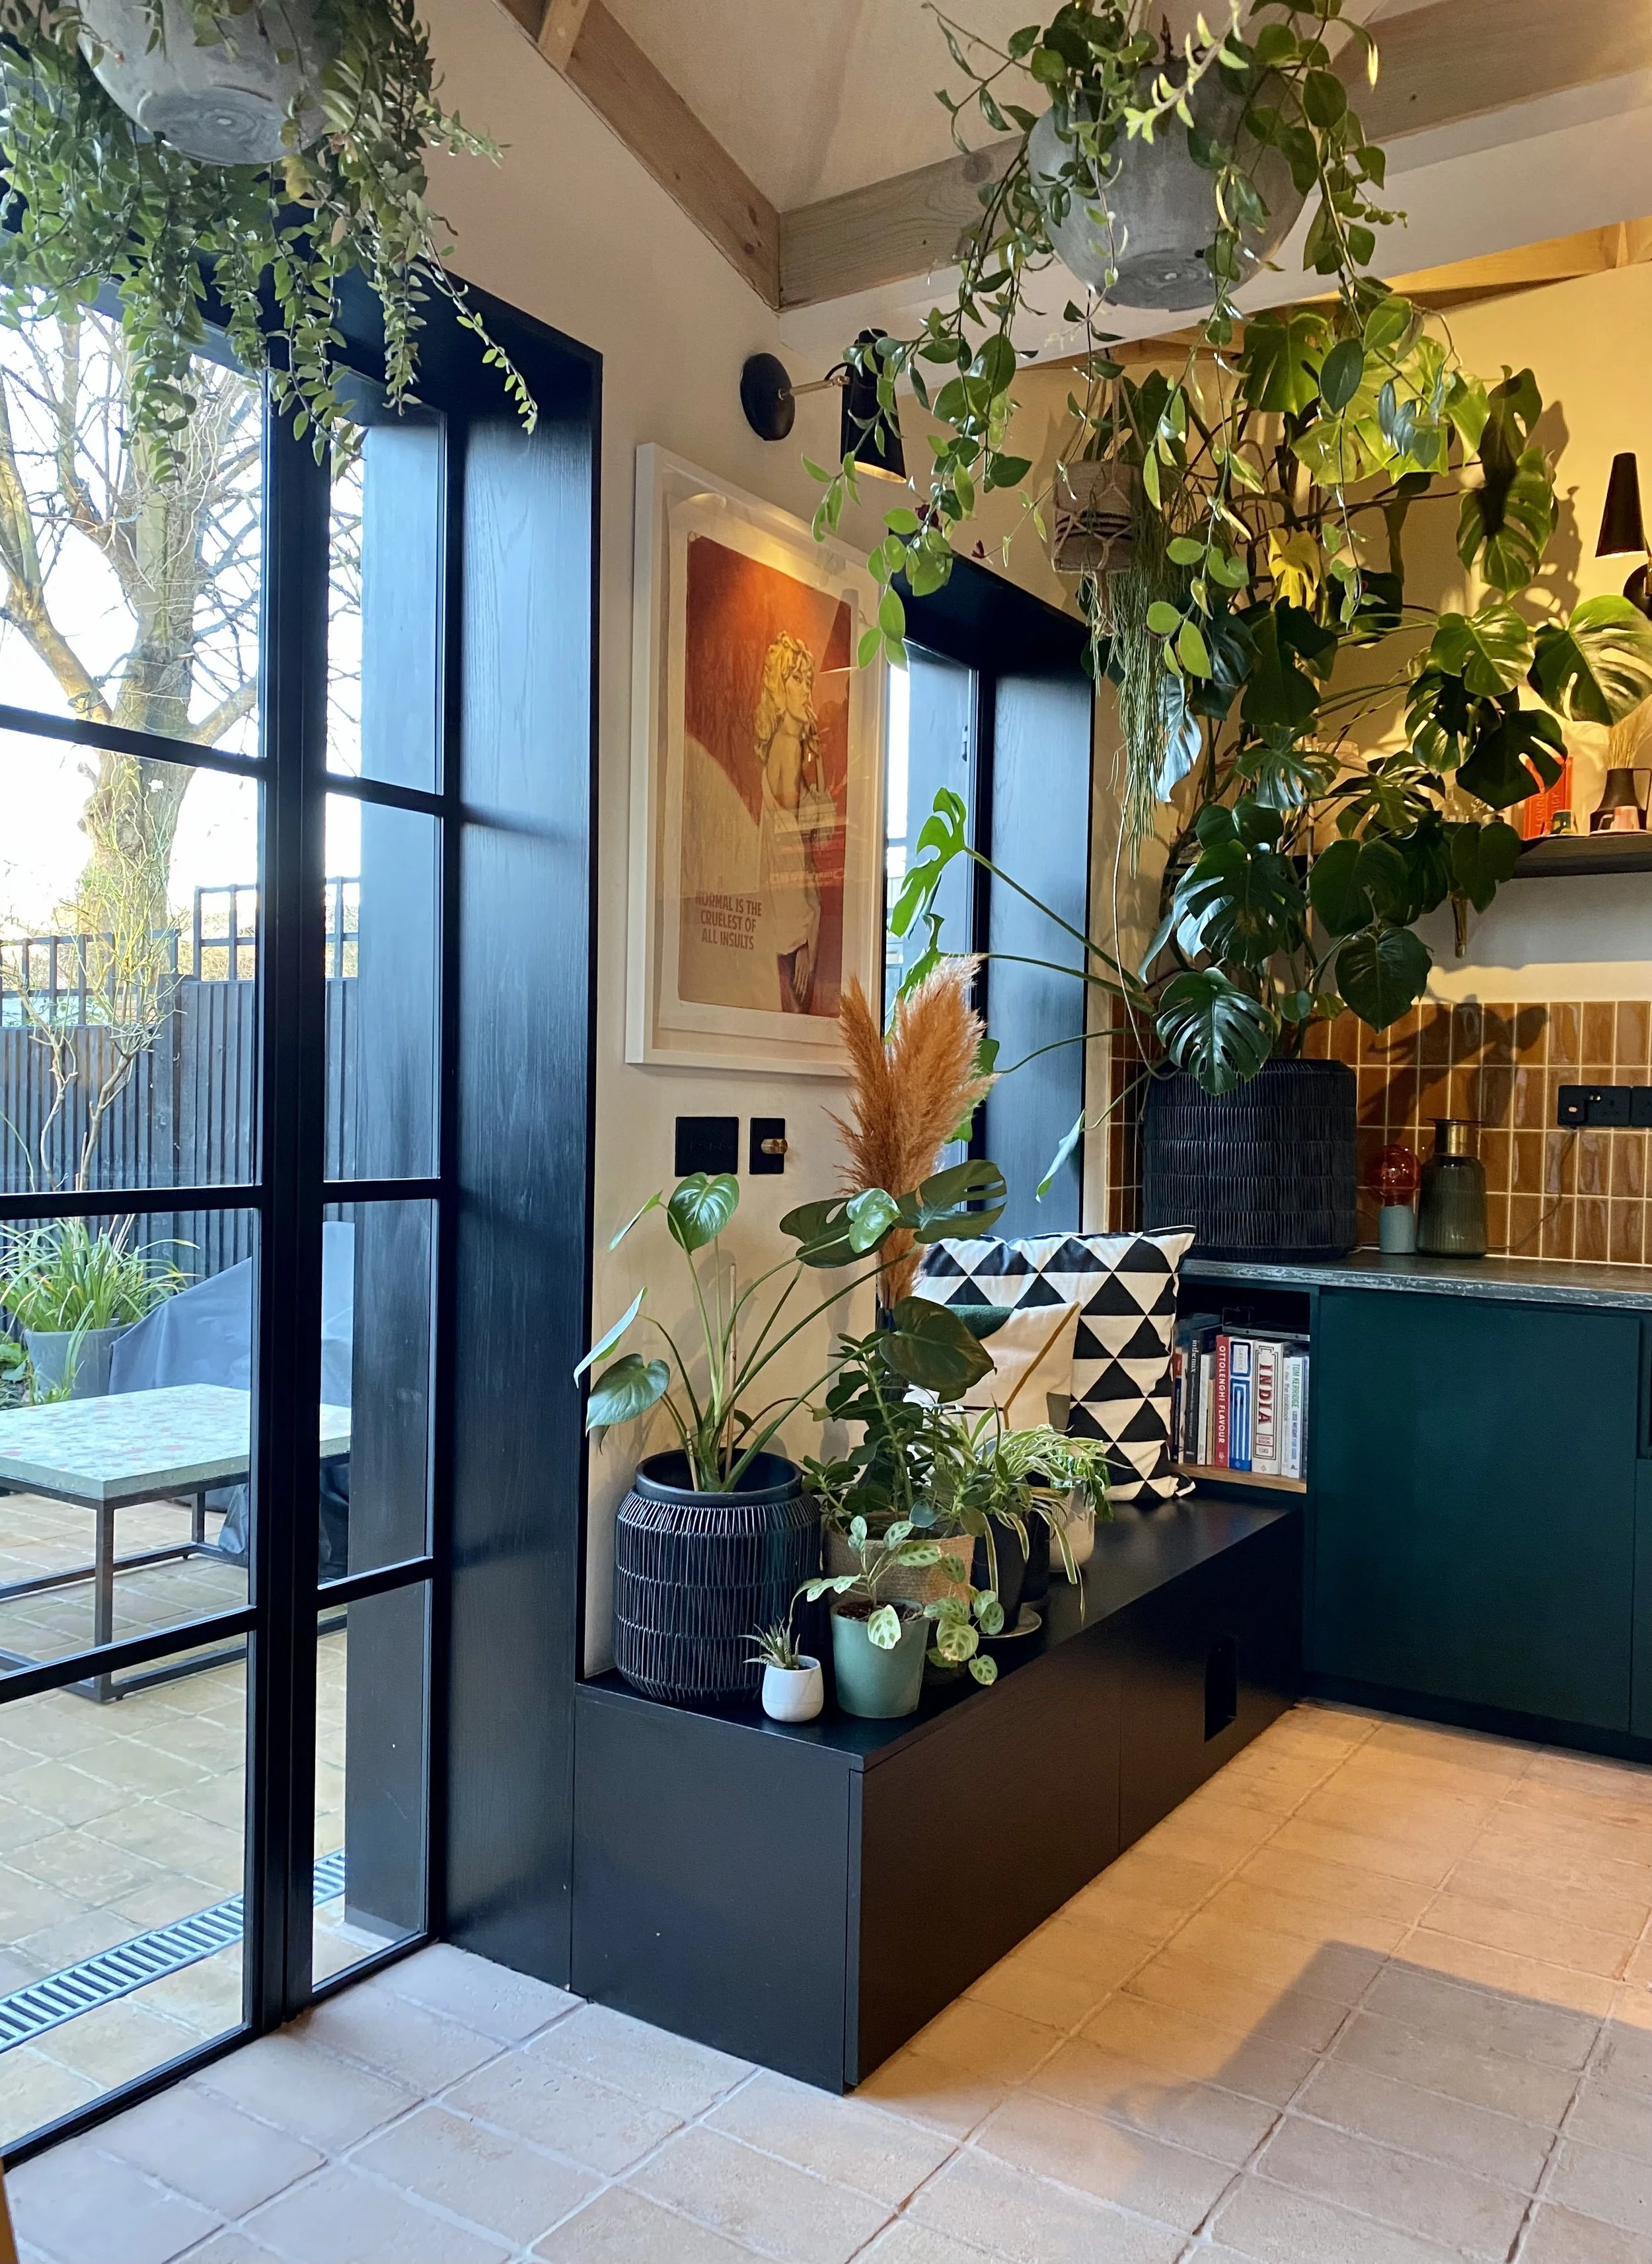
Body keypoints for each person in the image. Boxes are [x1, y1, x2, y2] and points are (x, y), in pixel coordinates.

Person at [754, 632, 833, 1013]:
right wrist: (800, 940)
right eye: (796, 679)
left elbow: (817, 833)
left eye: (808, 681)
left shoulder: (792, 747)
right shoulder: (786, 748)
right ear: (779, 689)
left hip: (801, 912)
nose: (806, 690)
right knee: (796, 1013)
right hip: (795, 919)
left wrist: (818, 757)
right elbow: (788, 852)